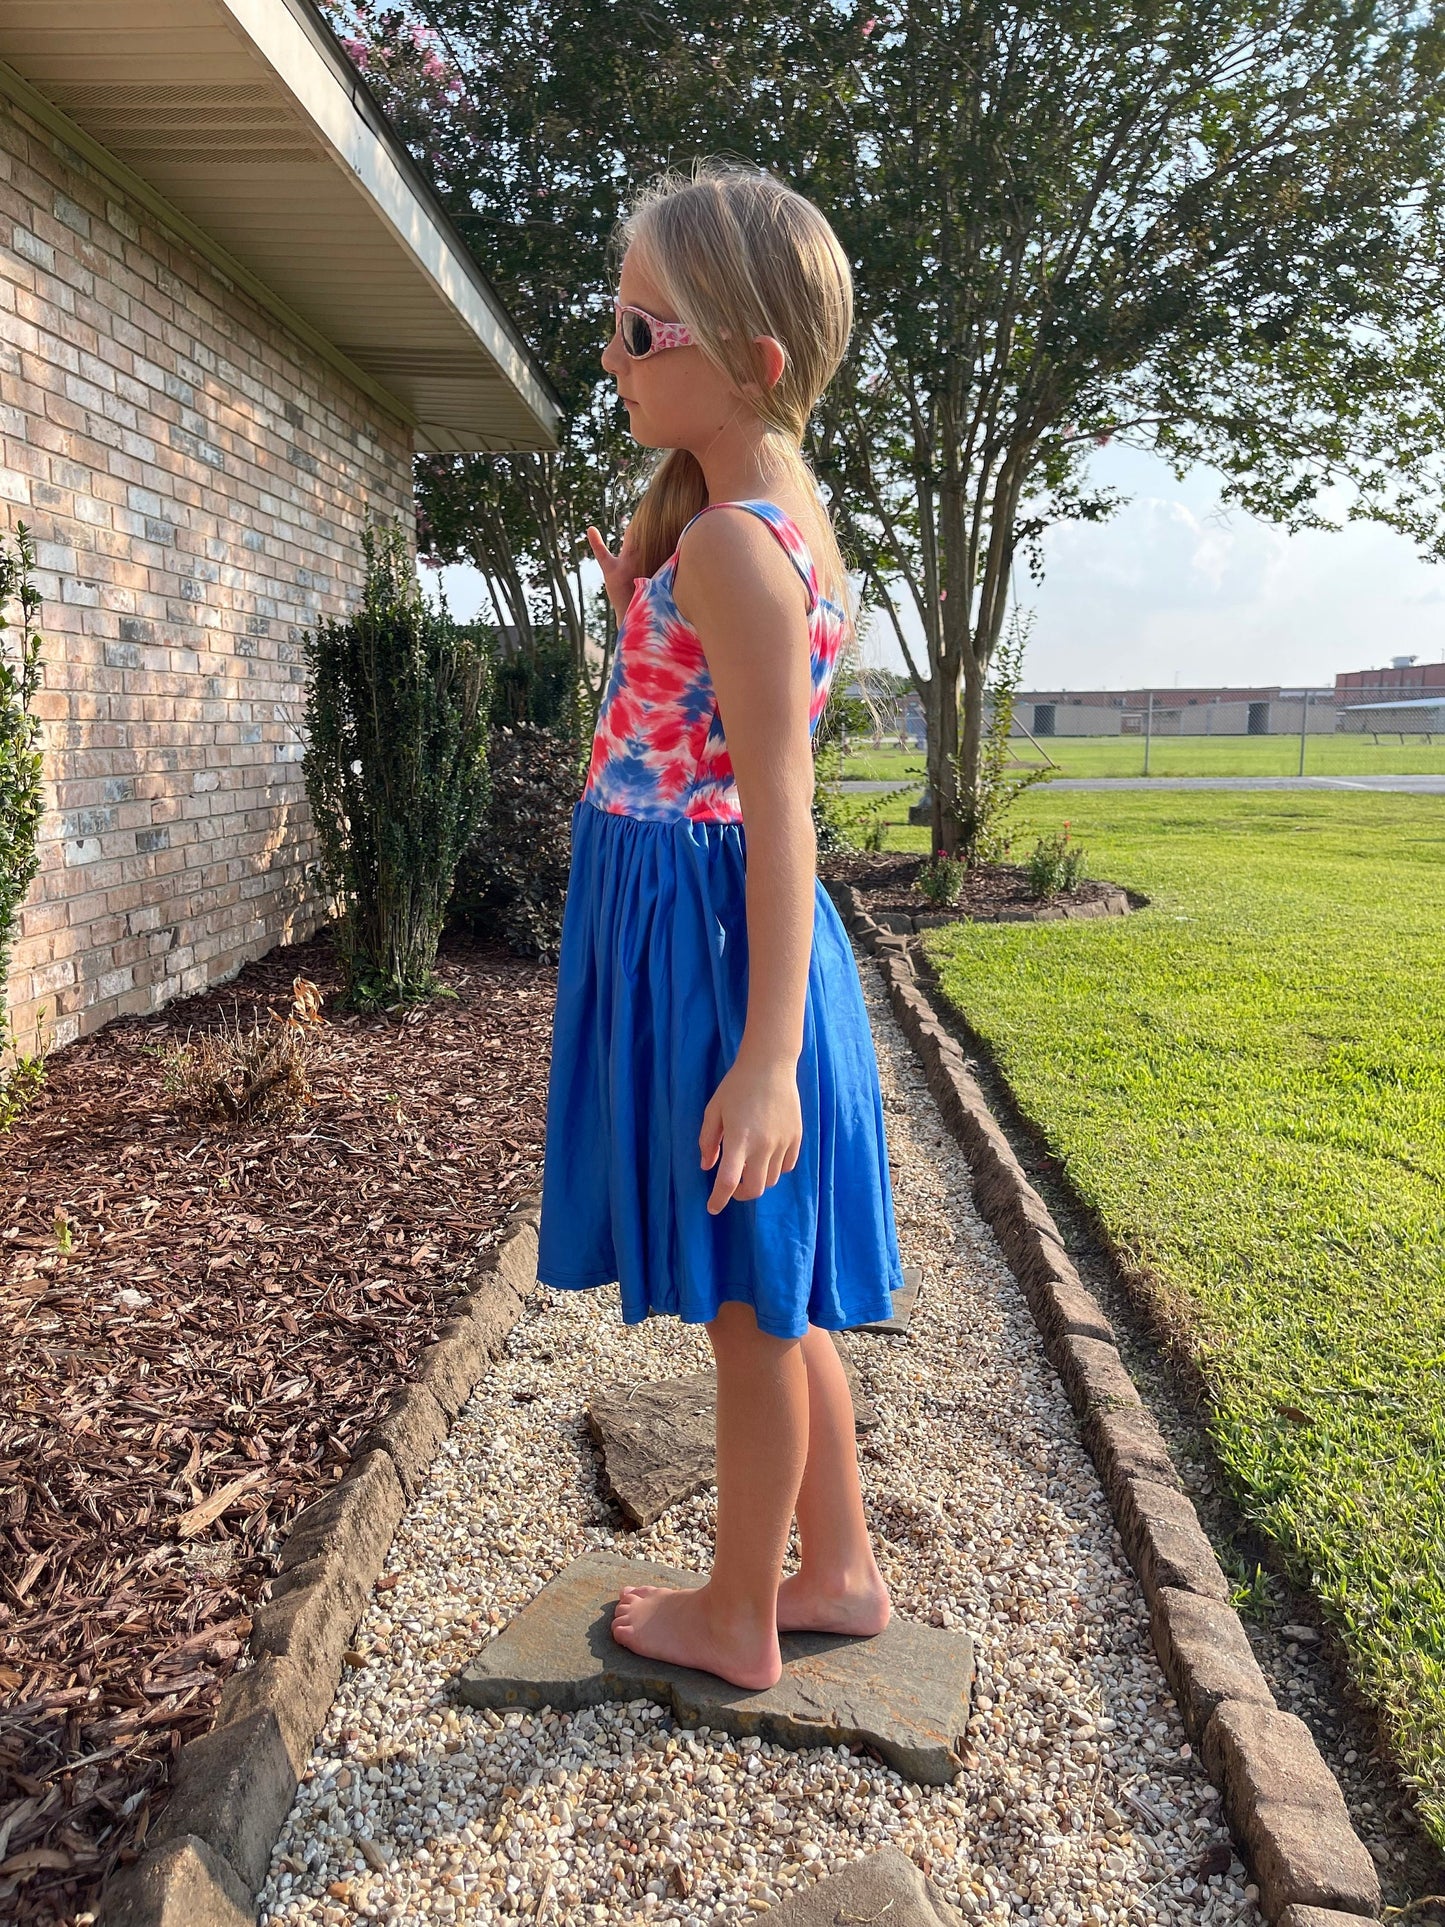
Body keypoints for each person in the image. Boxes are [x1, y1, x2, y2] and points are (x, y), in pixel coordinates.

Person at [536, 161, 906, 1692]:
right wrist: (636, 595)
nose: (612, 357)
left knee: (751, 1309)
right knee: (780, 1283)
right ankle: (843, 1570)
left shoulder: (731, 549)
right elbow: (694, 708)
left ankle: (737, 1615)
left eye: (643, 330)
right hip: (698, 923)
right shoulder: (746, 525)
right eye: (614, 323)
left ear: (748, 361)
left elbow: (777, 812)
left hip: (712, 943)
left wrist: (763, 1056)